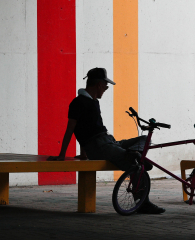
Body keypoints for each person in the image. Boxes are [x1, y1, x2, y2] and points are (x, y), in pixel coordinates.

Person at [48, 67, 165, 214]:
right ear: (98, 85)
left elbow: (85, 128)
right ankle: (142, 201)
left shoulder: (93, 102)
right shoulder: (79, 103)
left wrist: (83, 153)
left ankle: (135, 154)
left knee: (145, 138)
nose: (106, 89)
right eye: (106, 86)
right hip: (99, 146)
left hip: (108, 141)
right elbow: (71, 129)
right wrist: (62, 154)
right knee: (136, 164)